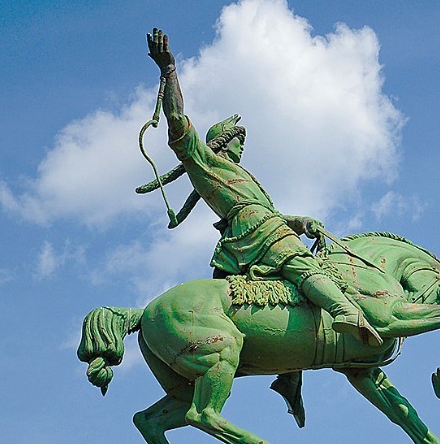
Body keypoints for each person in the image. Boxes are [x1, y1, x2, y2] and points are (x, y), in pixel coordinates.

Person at [147, 29, 380, 346]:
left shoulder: (241, 176)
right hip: (256, 232)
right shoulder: (206, 162)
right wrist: (169, 70)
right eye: (240, 141)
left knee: (289, 305)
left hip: (254, 231)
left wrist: (299, 222)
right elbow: (177, 121)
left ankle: (290, 379)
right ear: (226, 140)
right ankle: (344, 312)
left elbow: (272, 213)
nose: (242, 149)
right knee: (301, 264)